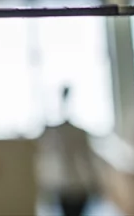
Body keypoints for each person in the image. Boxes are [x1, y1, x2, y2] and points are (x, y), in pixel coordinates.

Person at [36, 85, 100, 216]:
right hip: (67, 185)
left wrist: (94, 181)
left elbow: (87, 159)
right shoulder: (57, 133)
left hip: (77, 184)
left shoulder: (76, 133)